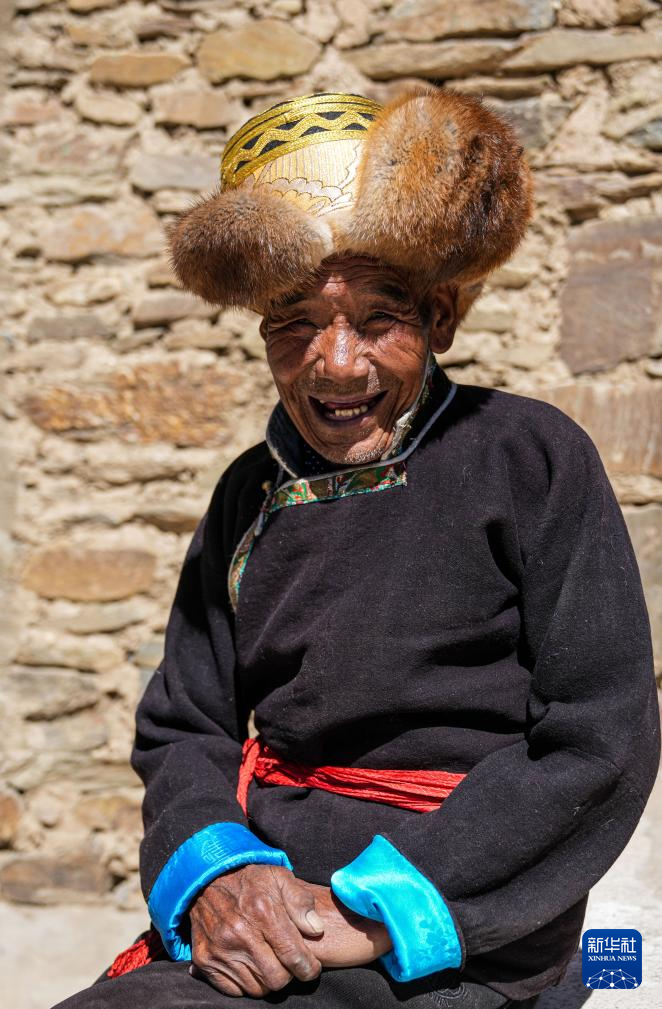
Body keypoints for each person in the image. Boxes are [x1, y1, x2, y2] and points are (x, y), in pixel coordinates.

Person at [54, 88, 660, 1009]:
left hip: (461, 928)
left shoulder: (530, 457)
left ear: (441, 317)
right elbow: (185, 723)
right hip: (268, 910)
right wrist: (221, 877)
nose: (337, 362)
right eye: (295, 320)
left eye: (378, 318)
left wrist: (373, 910)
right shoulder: (248, 495)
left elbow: (599, 735)